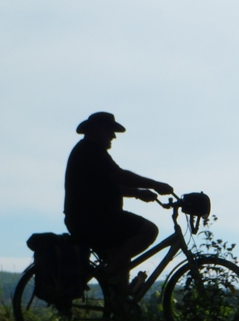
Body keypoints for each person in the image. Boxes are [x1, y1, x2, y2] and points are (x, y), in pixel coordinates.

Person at [64, 112, 174, 296]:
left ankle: (118, 309)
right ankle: (108, 273)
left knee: (120, 262)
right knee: (149, 231)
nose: (113, 136)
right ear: (98, 130)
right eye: (110, 131)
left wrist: (138, 193)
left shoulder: (88, 151)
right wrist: (155, 184)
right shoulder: (91, 150)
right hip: (94, 219)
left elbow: (110, 185)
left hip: (87, 219)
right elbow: (120, 176)